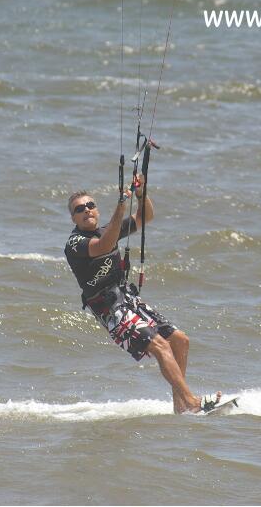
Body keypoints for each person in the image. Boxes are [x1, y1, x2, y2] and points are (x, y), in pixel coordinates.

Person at [64, 174, 220, 414]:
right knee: (160, 345)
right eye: (79, 209)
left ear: (97, 209)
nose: (87, 210)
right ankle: (190, 401)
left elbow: (145, 216)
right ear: (73, 217)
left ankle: (180, 404)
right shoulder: (74, 243)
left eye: (90, 205)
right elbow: (103, 246)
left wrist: (140, 193)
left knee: (180, 340)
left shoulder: (109, 229)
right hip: (108, 308)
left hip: (128, 299)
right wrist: (120, 206)